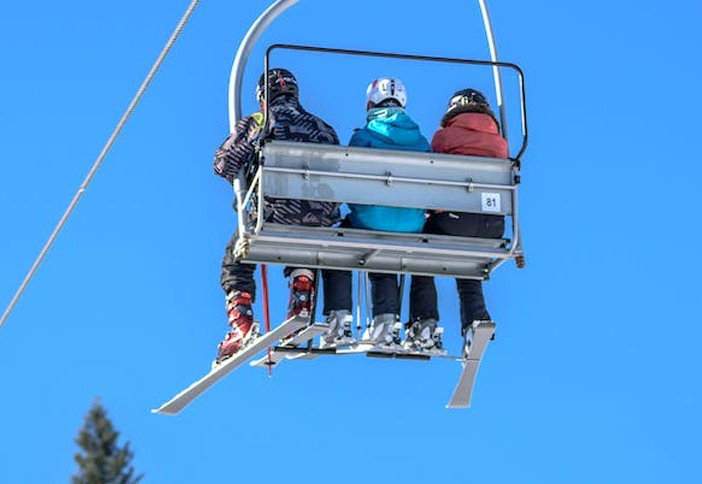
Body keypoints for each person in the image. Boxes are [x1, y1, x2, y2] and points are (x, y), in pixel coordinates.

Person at [212, 68, 354, 363]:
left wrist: (246, 170)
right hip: (319, 219)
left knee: (235, 259)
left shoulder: (261, 122)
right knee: (303, 235)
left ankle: (242, 325)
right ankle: (302, 293)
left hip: (273, 215)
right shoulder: (324, 128)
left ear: (263, 96)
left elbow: (224, 163)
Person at [406, 88, 509, 354]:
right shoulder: (501, 143)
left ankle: (424, 323)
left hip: (454, 220)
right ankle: (476, 319)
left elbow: (435, 176)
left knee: (420, 254)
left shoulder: (445, 137)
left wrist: (429, 209)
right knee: (468, 263)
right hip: (492, 225)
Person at [344, 77, 432, 349]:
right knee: (416, 250)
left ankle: (383, 319)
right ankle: (424, 323)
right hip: (413, 224)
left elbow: (347, 182)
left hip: (373, 220)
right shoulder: (421, 142)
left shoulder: (363, 137)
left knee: (368, 238)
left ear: (371, 104)